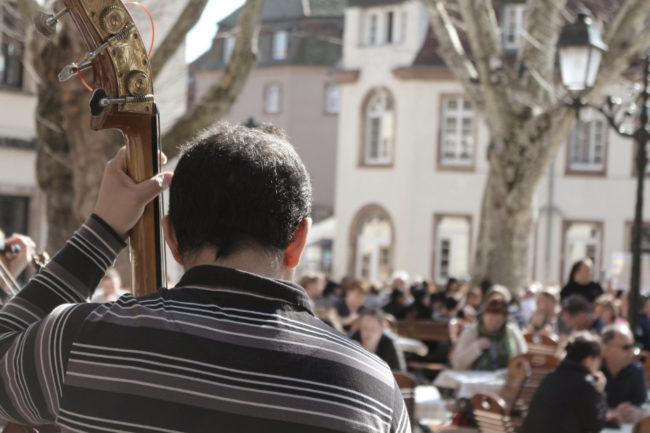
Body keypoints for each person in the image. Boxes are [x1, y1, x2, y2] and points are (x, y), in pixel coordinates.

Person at [0, 123, 410, 432]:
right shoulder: (372, 391)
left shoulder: (79, 342)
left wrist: (104, 227)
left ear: (172, 237)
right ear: (298, 240)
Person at [521, 332, 607, 433]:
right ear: (588, 360)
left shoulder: (551, 376)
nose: (599, 364)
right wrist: (600, 393)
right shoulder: (586, 384)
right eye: (598, 359)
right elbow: (596, 425)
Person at [450, 299, 527, 371]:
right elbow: (457, 363)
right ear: (484, 316)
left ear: (504, 320)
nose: (493, 324)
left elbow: (522, 356)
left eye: (498, 322)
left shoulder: (511, 331)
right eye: (490, 320)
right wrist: (476, 347)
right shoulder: (471, 331)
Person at [600, 324, 647, 423]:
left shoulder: (637, 372)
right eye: (626, 347)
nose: (632, 352)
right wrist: (608, 413)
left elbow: (642, 405)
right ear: (606, 348)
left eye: (633, 346)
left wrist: (637, 412)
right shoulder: (593, 369)